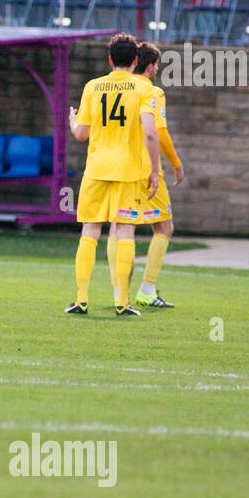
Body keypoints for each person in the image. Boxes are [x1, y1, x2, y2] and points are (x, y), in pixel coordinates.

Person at [66, 33, 161, 317]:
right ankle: (122, 302)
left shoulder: (93, 87)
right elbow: (150, 133)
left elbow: (81, 134)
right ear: (135, 60)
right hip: (128, 171)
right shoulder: (144, 90)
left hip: (96, 169)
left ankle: (81, 299)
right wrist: (154, 170)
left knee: (90, 231)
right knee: (124, 231)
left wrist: (73, 122)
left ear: (109, 59)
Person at [117, 40, 184, 309]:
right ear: (150, 65)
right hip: (145, 168)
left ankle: (118, 293)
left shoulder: (116, 89)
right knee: (164, 226)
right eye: (157, 64)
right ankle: (146, 289)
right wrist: (175, 164)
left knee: (120, 227)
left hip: (116, 167)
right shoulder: (150, 91)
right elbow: (158, 132)